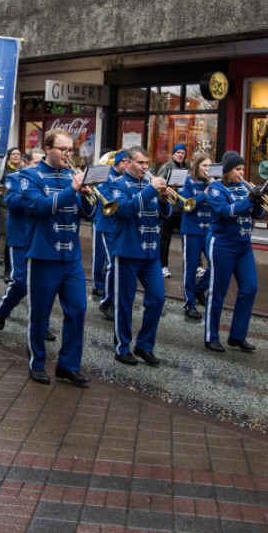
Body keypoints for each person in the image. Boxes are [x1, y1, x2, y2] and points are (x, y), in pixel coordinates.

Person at [20, 129, 96, 385]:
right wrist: (72, 189)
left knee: (78, 310)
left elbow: (88, 215)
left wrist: (86, 196)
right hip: (43, 254)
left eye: (70, 150)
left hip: (71, 256)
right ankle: (37, 362)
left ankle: (68, 365)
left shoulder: (71, 176)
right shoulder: (30, 175)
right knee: (39, 314)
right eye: (63, 149)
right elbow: (38, 207)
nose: (68, 154)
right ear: (48, 149)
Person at [108, 147, 171, 366]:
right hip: (127, 250)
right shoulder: (117, 185)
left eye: (147, 163)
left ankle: (144, 345)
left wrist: (163, 200)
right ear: (127, 163)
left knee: (158, 298)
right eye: (141, 163)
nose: (146, 167)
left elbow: (165, 216)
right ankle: (122, 347)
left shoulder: (150, 185)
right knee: (124, 302)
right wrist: (151, 192)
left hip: (151, 252)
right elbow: (124, 210)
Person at [204, 151, 266, 353]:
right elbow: (224, 212)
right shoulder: (215, 188)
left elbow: (259, 213)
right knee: (218, 291)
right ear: (227, 171)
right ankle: (211, 336)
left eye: (243, 170)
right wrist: (249, 200)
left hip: (243, 245)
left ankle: (238, 335)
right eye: (237, 170)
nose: (241, 174)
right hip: (222, 244)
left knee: (250, 288)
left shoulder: (243, 187)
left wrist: (258, 201)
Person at [0, 149, 54, 340]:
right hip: (20, 236)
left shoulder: (48, 178)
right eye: (35, 163)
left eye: (41, 162)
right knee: (20, 281)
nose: (38, 166)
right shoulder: (13, 177)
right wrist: (32, 193)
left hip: (42, 237)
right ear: (26, 163)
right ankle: (4, 309)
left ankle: (41, 324)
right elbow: (11, 201)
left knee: (44, 284)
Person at [179, 152, 212, 321]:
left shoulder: (213, 182)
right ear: (197, 166)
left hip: (210, 230)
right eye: (204, 165)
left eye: (209, 166)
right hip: (192, 230)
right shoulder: (188, 181)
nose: (207, 169)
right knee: (191, 268)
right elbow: (185, 204)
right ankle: (189, 304)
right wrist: (205, 193)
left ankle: (199, 290)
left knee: (217, 264)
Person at [95, 150, 127, 320]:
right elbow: (105, 198)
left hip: (122, 227)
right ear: (118, 162)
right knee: (112, 264)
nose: (127, 166)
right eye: (125, 163)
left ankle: (116, 298)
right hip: (107, 225)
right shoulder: (106, 175)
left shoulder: (128, 178)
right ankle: (106, 302)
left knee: (121, 265)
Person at [157, 143, 187, 277]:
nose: (180, 155)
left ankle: (196, 266)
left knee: (187, 238)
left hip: (182, 209)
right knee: (165, 238)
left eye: (183, 153)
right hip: (169, 208)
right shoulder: (166, 167)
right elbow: (159, 183)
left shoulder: (186, 168)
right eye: (178, 152)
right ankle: (162, 265)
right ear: (173, 154)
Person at [0, 147, 21, 276]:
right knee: (8, 237)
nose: (16, 156)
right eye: (13, 154)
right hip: (4, 205)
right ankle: (7, 271)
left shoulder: (24, 170)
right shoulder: (4, 170)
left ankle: (16, 268)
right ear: (9, 156)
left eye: (18, 154)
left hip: (18, 206)